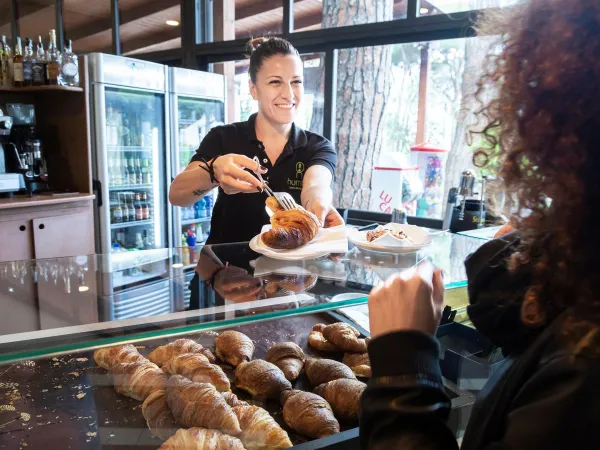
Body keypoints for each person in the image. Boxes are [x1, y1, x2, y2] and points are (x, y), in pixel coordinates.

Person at [361, 0, 600, 448]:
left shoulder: (585, 368)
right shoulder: (583, 262)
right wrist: (518, 260)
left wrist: (402, 370)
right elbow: (518, 338)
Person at [169, 36, 344, 244]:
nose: (289, 94)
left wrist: (318, 206)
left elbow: (315, 186)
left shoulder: (317, 147)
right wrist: (214, 171)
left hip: (292, 273)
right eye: (275, 82)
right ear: (253, 89)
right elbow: (177, 195)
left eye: (296, 82)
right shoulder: (224, 138)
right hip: (227, 271)